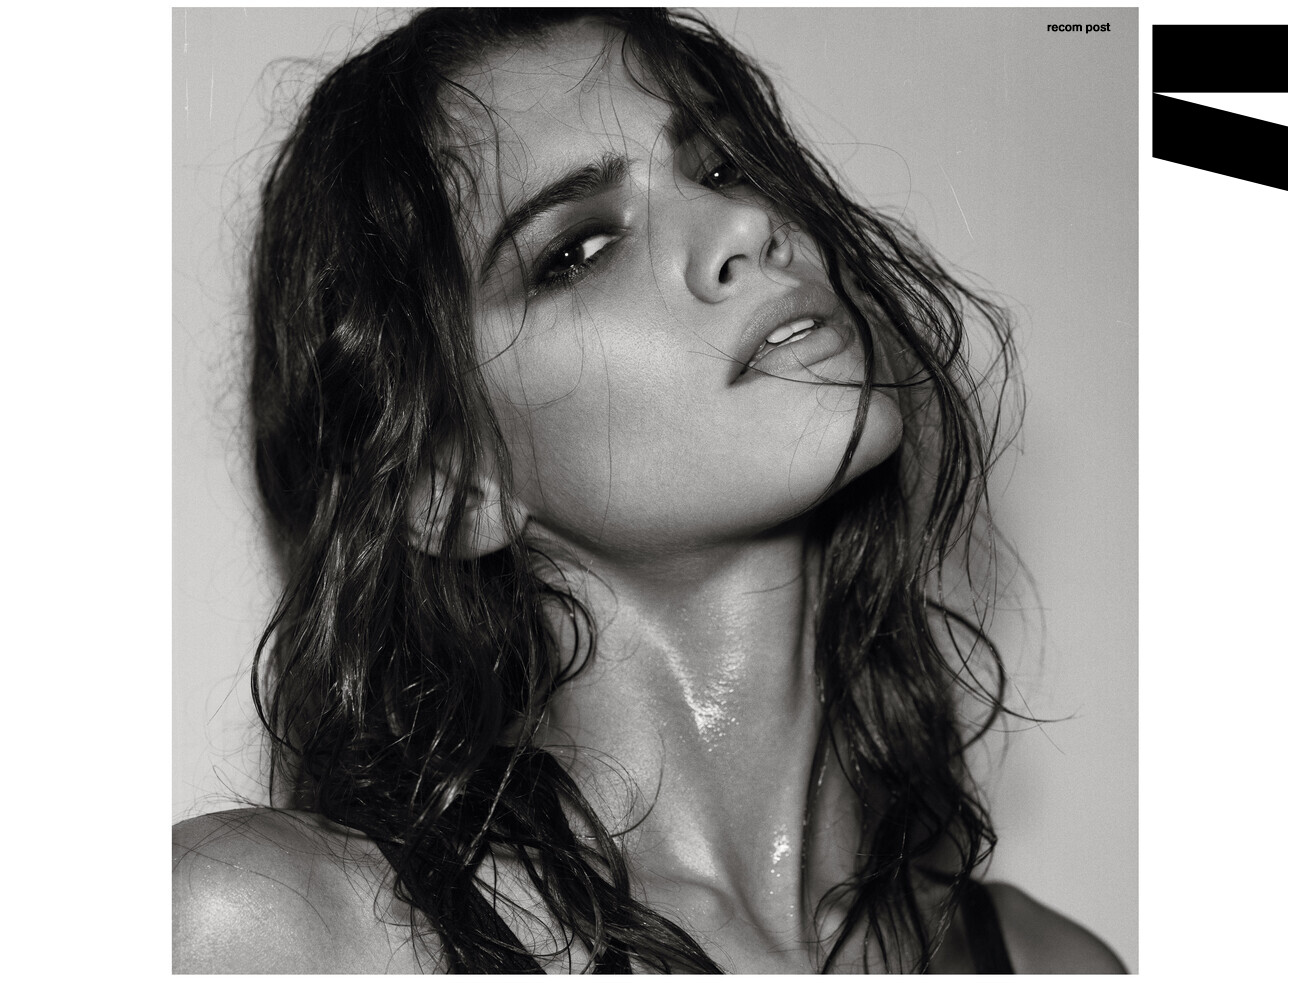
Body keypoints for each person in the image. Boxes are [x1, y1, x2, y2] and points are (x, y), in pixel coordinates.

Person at [173, 8, 1127, 973]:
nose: (749, 224)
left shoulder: (1053, 963)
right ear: (450, 480)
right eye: (577, 250)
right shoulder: (269, 928)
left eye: (723, 168)